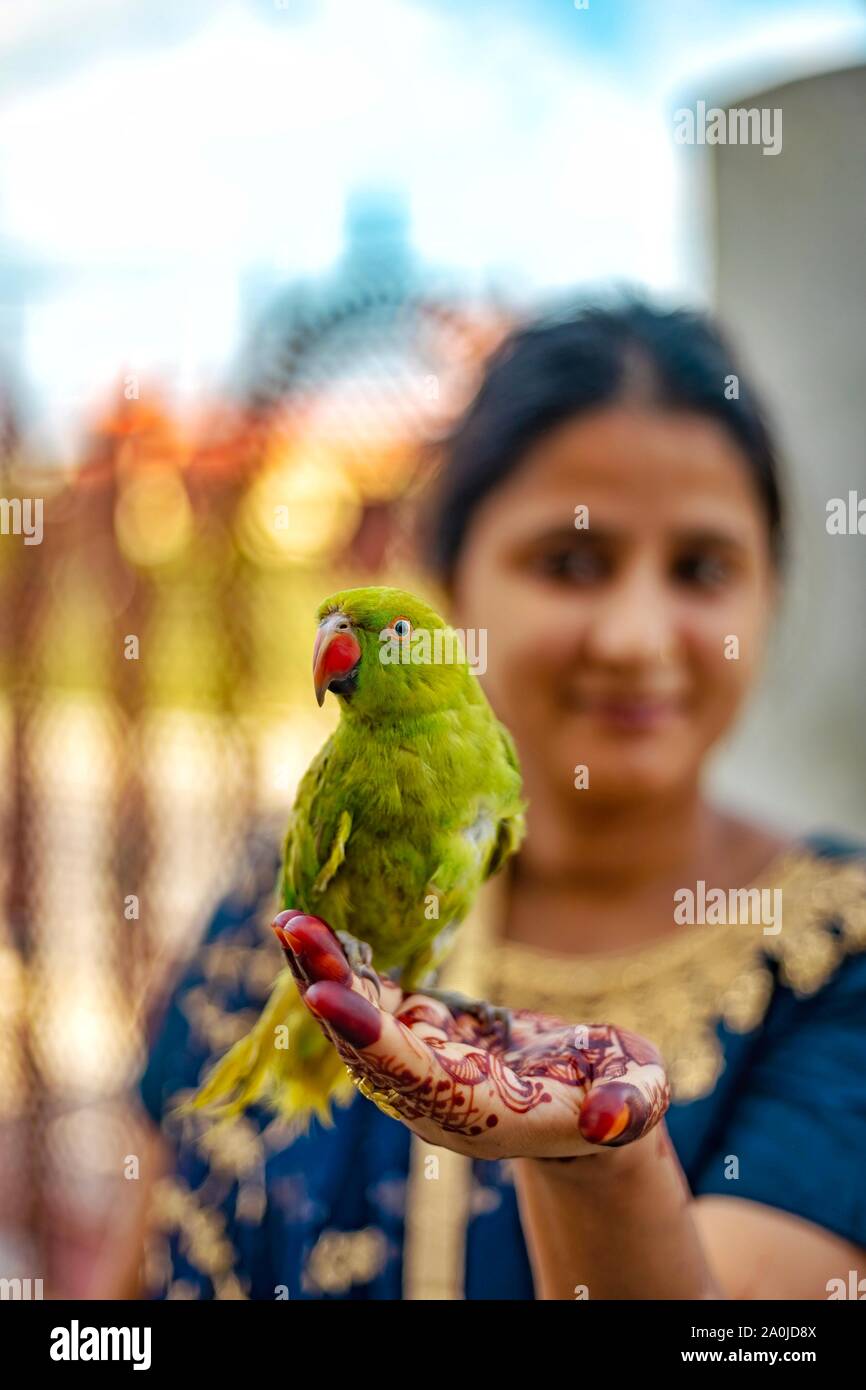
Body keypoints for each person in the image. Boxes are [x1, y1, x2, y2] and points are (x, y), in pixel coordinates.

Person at [128, 299, 866, 1300]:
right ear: (447, 586)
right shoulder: (289, 892)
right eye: (569, 562)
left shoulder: (836, 963)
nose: (636, 637)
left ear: (765, 595)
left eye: (699, 568)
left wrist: (590, 1158)